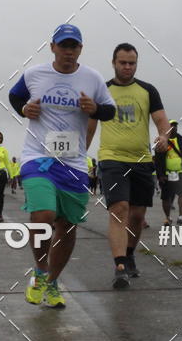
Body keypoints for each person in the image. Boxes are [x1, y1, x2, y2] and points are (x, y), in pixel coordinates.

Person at [9, 23, 116, 308]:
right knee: (43, 214)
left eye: (74, 46)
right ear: (53, 47)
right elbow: (14, 96)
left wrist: (95, 109)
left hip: (74, 163)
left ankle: (53, 282)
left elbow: (109, 110)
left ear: (80, 49)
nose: (68, 51)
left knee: (67, 227)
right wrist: (23, 108)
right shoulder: (34, 74)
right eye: (64, 45)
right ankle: (41, 270)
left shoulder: (92, 78)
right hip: (37, 158)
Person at [87, 42, 169, 288]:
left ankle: (130, 253)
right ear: (113, 63)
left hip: (142, 160)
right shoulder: (102, 91)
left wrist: (164, 136)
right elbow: (90, 127)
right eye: (122, 62)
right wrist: (79, 155)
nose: (127, 67)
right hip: (111, 158)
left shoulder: (147, 90)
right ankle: (119, 265)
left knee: (137, 215)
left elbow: (162, 121)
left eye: (131, 63)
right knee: (119, 208)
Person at [155, 120, 182, 226]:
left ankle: (181, 217)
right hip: (166, 175)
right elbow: (157, 161)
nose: (174, 128)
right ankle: (167, 218)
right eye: (171, 126)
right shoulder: (162, 141)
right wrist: (160, 175)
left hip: (181, 173)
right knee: (166, 197)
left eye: (175, 126)